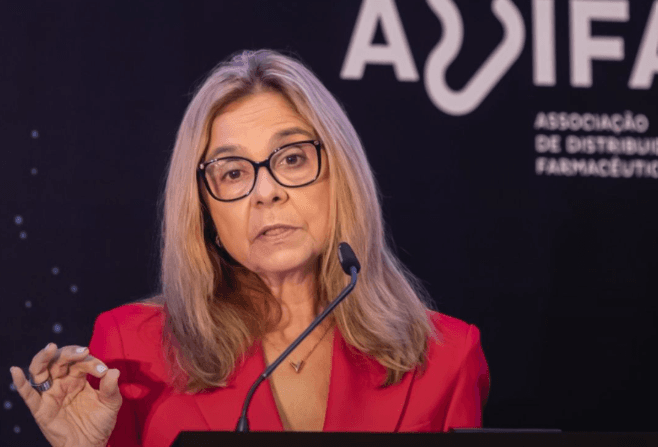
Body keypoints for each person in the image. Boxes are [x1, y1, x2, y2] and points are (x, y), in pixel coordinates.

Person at [10, 49, 490, 446]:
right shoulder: (130, 351)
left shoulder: (446, 357)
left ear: (340, 176)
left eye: (293, 158)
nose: (266, 192)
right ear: (204, 210)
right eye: (234, 172)